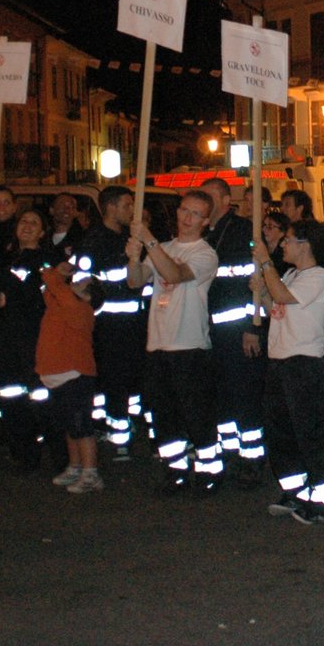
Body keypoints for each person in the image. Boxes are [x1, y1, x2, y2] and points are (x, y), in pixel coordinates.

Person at [127, 190, 220, 493]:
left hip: (189, 345)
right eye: (183, 210)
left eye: (195, 214)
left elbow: (175, 274)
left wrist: (149, 241)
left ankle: (209, 469)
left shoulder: (205, 254)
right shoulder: (164, 247)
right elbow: (136, 280)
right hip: (158, 343)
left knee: (196, 412)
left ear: (206, 220)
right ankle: (175, 469)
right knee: (163, 413)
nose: (187, 218)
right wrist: (133, 256)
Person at [254, 220, 324, 523]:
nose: (283, 245)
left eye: (288, 240)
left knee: (309, 432)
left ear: (306, 245)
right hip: (279, 361)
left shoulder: (319, 277)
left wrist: (265, 263)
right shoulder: (291, 274)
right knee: (281, 433)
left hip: (303, 364)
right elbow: (277, 309)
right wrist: (261, 293)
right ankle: (295, 490)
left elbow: (283, 297)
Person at [202, 179, 267, 485]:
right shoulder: (205, 233)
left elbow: (250, 284)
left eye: (211, 196)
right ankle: (229, 449)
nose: (206, 202)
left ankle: (252, 457)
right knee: (219, 394)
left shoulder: (242, 231)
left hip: (236, 330)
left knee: (243, 395)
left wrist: (252, 327)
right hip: (209, 330)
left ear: (227, 200)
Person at [75, 187, 147, 458]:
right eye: (127, 205)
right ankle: (118, 437)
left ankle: (131, 423)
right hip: (108, 325)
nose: (132, 211)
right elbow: (83, 285)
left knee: (132, 378)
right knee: (113, 379)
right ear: (110, 208)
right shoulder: (93, 241)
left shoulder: (130, 239)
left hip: (135, 321)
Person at [0, 208, 54, 472]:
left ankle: (48, 446)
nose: (27, 226)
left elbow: (29, 295)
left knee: (39, 396)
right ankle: (22, 451)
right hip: (7, 337)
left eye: (34, 222)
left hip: (34, 336)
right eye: (23, 221)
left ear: (42, 231)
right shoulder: (7, 257)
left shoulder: (46, 260)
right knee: (10, 393)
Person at [39, 256, 104, 494]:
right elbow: (50, 292)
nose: (72, 285)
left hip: (76, 375)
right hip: (58, 374)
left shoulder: (80, 310)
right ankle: (75, 466)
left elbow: (56, 288)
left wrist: (55, 274)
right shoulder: (61, 303)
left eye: (79, 284)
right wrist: (58, 274)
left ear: (88, 296)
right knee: (69, 425)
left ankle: (90, 472)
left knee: (82, 425)